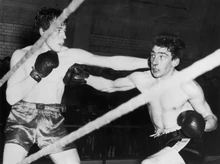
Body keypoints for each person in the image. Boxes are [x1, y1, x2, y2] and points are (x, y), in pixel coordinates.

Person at [3, 6, 150, 164]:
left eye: (65, 30)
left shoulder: (69, 55)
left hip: (52, 119)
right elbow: (11, 98)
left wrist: (150, 63)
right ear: (42, 31)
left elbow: (111, 62)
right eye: (58, 30)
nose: (64, 36)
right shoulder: (21, 55)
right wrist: (36, 74)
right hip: (22, 117)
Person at [65, 34, 218, 164]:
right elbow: (110, 86)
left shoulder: (188, 86)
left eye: (162, 56)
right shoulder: (142, 79)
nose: (155, 61)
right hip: (159, 139)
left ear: (175, 61)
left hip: (185, 140)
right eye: (153, 55)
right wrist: (85, 77)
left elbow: (212, 119)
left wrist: (201, 126)